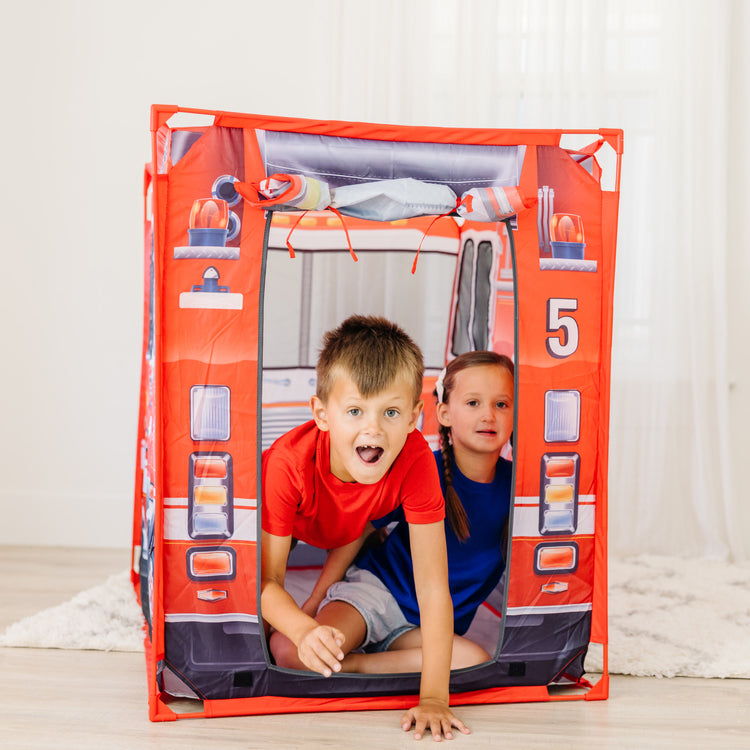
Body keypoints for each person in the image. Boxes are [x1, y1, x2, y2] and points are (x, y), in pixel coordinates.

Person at [261, 314, 469, 741]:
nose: (372, 427)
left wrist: (434, 697)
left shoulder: (414, 460)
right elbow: (266, 581)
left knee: (470, 655)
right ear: (321, 414)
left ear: (414, 417)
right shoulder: (287, 464)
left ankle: (351, 627)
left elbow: (433, 587)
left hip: (352, 525)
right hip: (292, 519)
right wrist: (305, 630)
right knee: (274, 633)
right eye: (354, 410)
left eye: (390, 411)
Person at [319, 350, 514, 674]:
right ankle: (352, 655)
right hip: (377, 594)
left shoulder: (519, 486)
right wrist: (317, 598)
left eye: (501, 404)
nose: (489, 416)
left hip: (427, 627)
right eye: (473, 403)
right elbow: (362, 528)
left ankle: (359, 666)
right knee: (303, 654)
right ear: (445, 413)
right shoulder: (424, 470)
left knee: (475, 661)